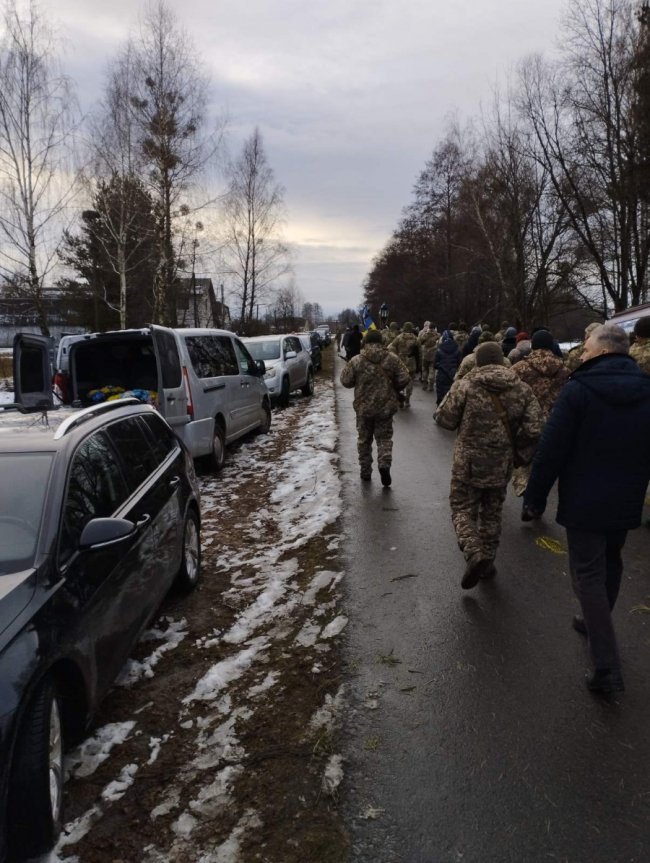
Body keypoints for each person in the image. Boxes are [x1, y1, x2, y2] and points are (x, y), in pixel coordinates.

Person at [523, 324, 650, 695]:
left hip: (584, 499)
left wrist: (535, 496)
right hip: (626, 498)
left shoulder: (579, 390)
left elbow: (551, 449)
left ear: (601, 352)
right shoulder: (646, 389)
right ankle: (595, 621)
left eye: (586, 349)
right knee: (611, 562)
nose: (580, 354)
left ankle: (606, 667)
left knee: (587, 574)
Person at [435, 342, 543, 589]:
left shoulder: (465, 385)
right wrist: (520, 453)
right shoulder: (522, 389)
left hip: (468, 463)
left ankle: (474, 552)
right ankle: (488, 561)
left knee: (461, 507)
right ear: (503, 360)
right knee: (492, 511)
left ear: (478, 361)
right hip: (501, 463)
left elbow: (445, 420)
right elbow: (535, 428)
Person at [340, 329, 411, 486]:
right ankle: (384, 465)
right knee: (384, 439)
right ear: (381, 342)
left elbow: (345, 381)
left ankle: (365, 472)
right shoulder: (392, 359)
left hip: (363, 409)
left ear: (365, 342)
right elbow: (405, 378)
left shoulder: (357, 360)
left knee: (364, 440)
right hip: (385, 409)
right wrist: (394, 387)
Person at [511, 329, 569, 496]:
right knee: (545, 463)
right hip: (554, 423)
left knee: (523, 458)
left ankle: (524, 486)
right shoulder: (565, 369)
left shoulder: (519, 368)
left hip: (526, 421)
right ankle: (536, 500)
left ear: (532, 345)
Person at [389, 321, 419, 407]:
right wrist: (419, 365)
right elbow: (419, 353)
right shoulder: (416, 339)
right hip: (411, 363)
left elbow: (391, 348)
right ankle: (407, 400)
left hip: (400, 363)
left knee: (399, 381)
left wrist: (395, 357)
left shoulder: (398, 338)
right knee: (410, 382)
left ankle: (400, 399)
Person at [434, 330, 461, 405]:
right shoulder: (457, 349)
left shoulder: (439, 349)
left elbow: (435, 365)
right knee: (452, 395)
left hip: (442, 375)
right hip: (453, 375)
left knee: (440, 394)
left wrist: (441, 366)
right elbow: (460, 364)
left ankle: (439, 410)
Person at [418, 324, 440, 391]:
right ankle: (431, 386)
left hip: (425, 354)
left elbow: (419, 341)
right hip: (433, 354)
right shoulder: (437, 335)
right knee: (432, 370)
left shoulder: (425, 334)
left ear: (429, 327)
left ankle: (424, 384)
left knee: (424, 369)